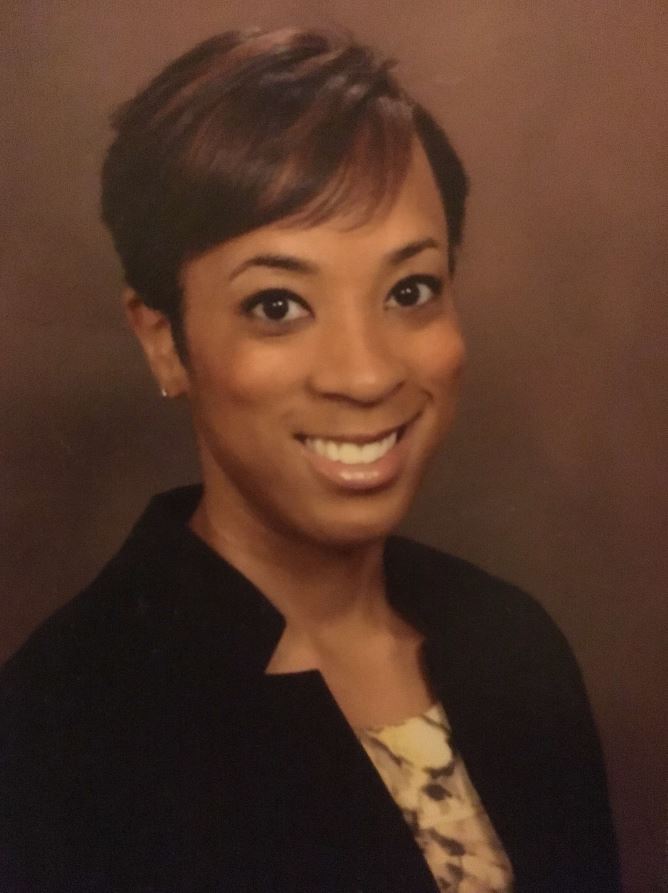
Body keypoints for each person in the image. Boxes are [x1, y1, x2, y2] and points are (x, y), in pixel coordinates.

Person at [0, 25, 619, 893]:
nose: (366, 374)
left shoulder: (515, 643)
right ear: (165, 341)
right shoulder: (63, 728)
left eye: (410, 290)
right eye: (278, 305)